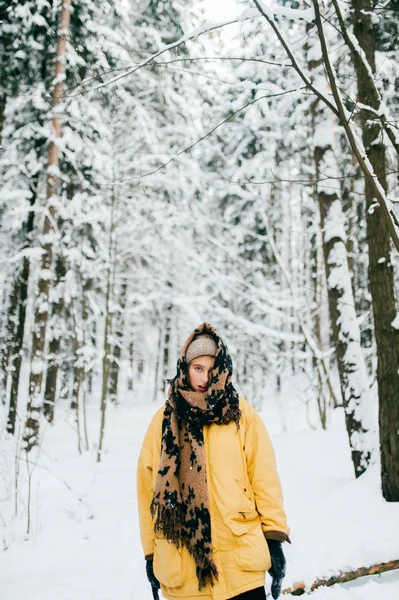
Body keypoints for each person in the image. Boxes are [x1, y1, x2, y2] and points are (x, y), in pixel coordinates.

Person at [137, 323, 290, 600]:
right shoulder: (162, 422)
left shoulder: (241, 414)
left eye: (211, 369)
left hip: (239, 566)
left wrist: (274, 537)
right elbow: (148, 493)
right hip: (184, 573)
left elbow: (264, 478)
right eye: (198, 368)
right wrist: (150, 553)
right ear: (185, 367)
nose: (205, 377)